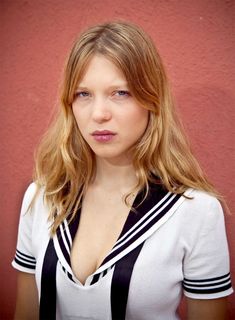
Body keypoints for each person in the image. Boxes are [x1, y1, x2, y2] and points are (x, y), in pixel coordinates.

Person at [12, 21, 233, 320]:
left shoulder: (196, 211)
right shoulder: (41, 197)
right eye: (83, 94)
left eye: (120, 93)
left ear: (151, 99)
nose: (99, 114)